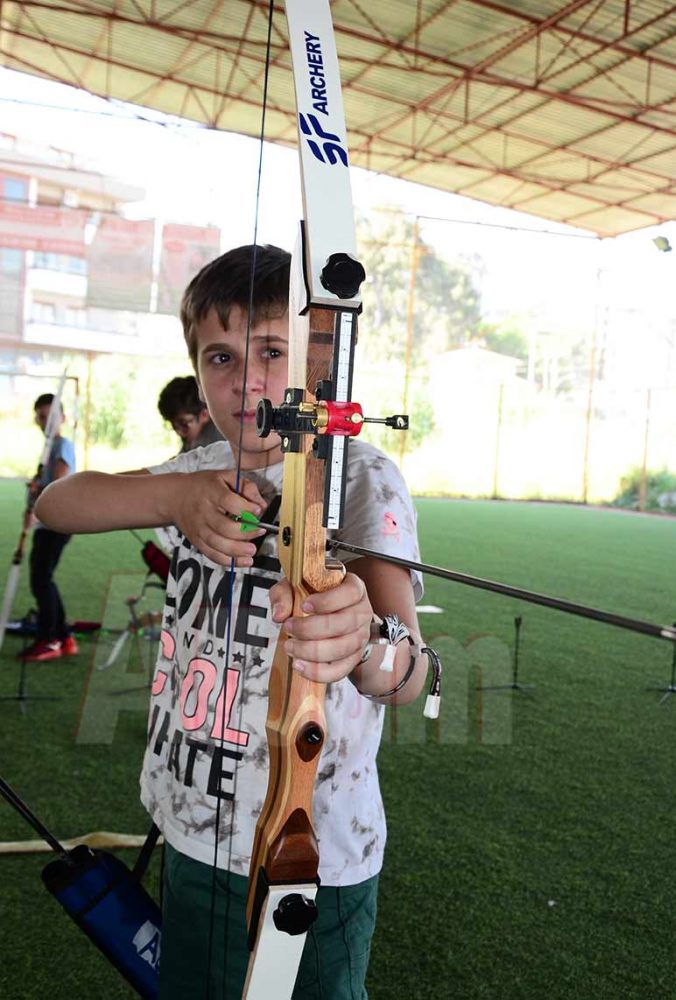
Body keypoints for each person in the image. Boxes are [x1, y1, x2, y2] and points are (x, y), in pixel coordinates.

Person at [36, 244, 427, 999]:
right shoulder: (199, 472)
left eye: (274, 350)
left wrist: (367, 643)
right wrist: (172, 499)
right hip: (192, 829)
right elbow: (59, 503)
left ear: (321, 366)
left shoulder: (362, 479)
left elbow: (404, 669)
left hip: (312, 850)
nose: (246, 379)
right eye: (220, 355)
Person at [20, 394, 78, 662]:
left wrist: (39, 491)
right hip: (49, 522)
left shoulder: (62, 445)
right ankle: (63, 636)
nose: (46, 422)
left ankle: (49, 639)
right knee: (44, 578)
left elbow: (59, 483)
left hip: (57, 521)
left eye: (51, 416)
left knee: (41, 579)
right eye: (42, 416)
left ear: (62, 418)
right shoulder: (50, 447)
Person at [157, 374, 225, 452]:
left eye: (183, 423)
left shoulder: (217, 444)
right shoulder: (193, 438)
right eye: (173, 425)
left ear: (204, 415)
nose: (178, 432)